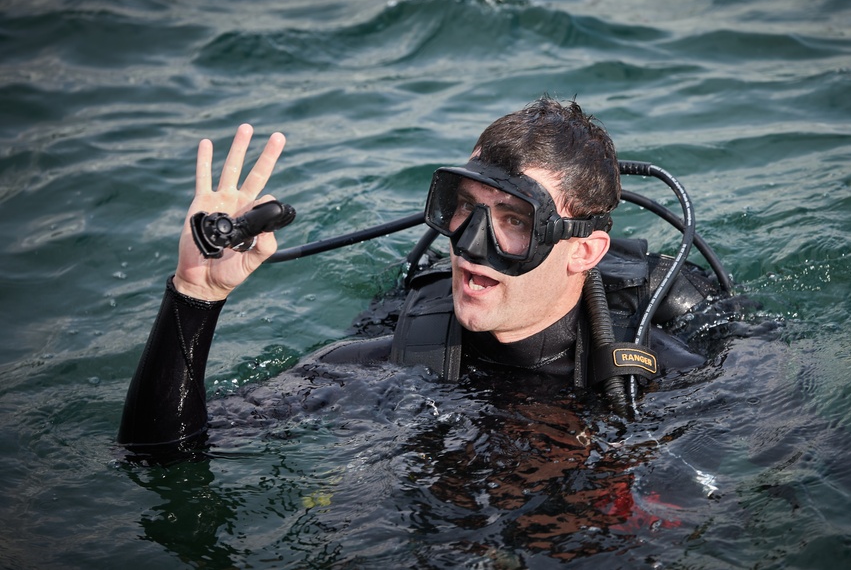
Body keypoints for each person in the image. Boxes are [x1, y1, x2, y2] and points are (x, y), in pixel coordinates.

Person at [118, 97, 733, 455]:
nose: (467, 246)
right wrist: (195, 296)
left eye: (516, 221)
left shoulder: (677, 379)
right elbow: (160, 454)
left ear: (584, 250)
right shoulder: (392, 357)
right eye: (463, 208)